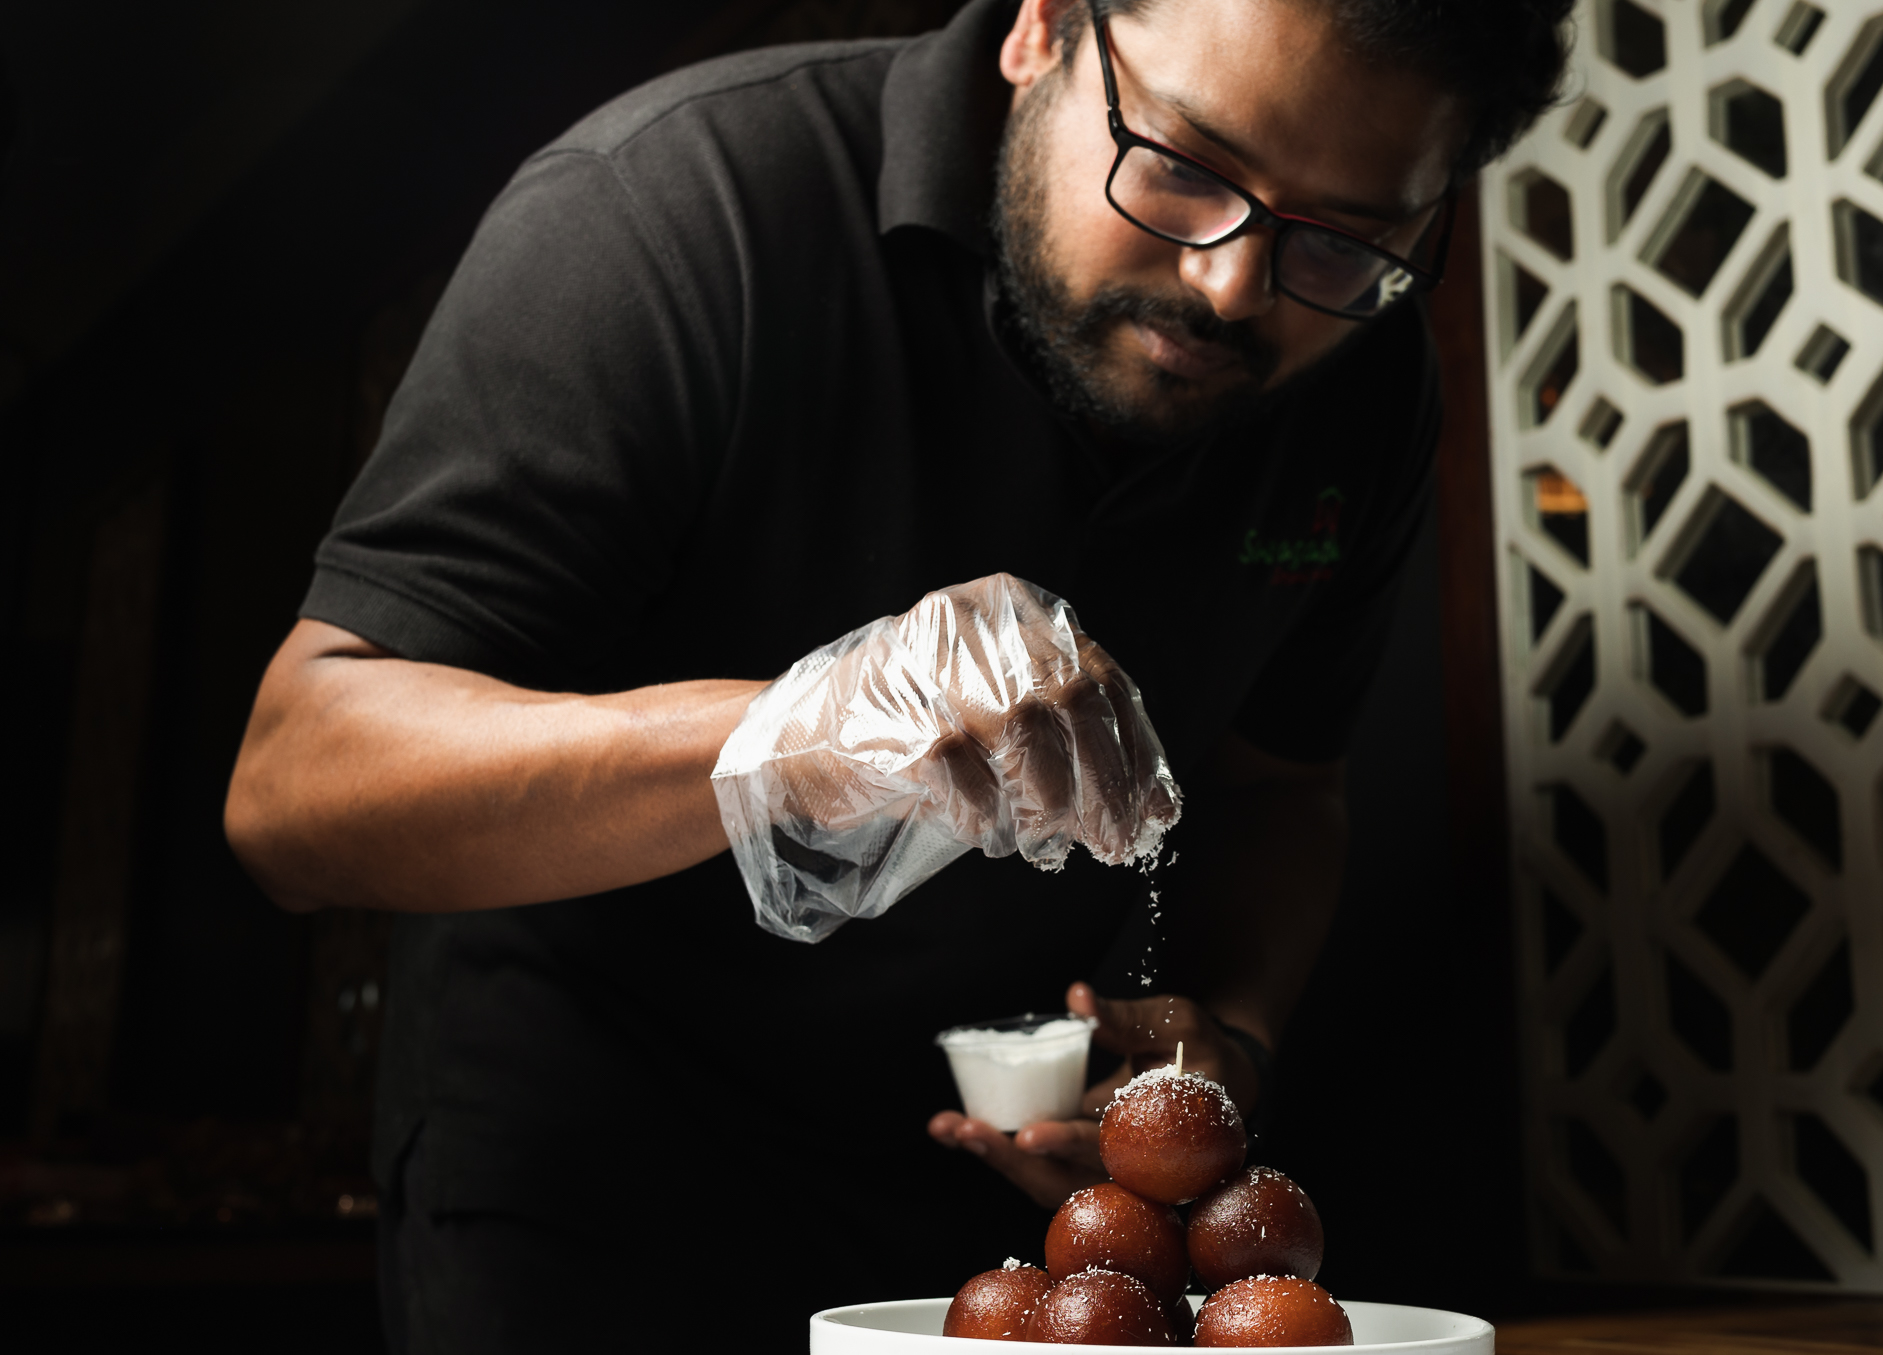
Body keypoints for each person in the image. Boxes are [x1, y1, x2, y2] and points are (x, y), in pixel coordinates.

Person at [225, 0, 1570, 1347]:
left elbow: (1284, 788)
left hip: (996, 1225)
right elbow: (293, 794)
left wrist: (1222, 1035)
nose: (1232, 286)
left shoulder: (1366, 374)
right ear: (1044, 28)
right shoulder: (674, 210)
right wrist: (795, 733)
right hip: (582, 1189)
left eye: (1343, 238)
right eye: (1183, 166)